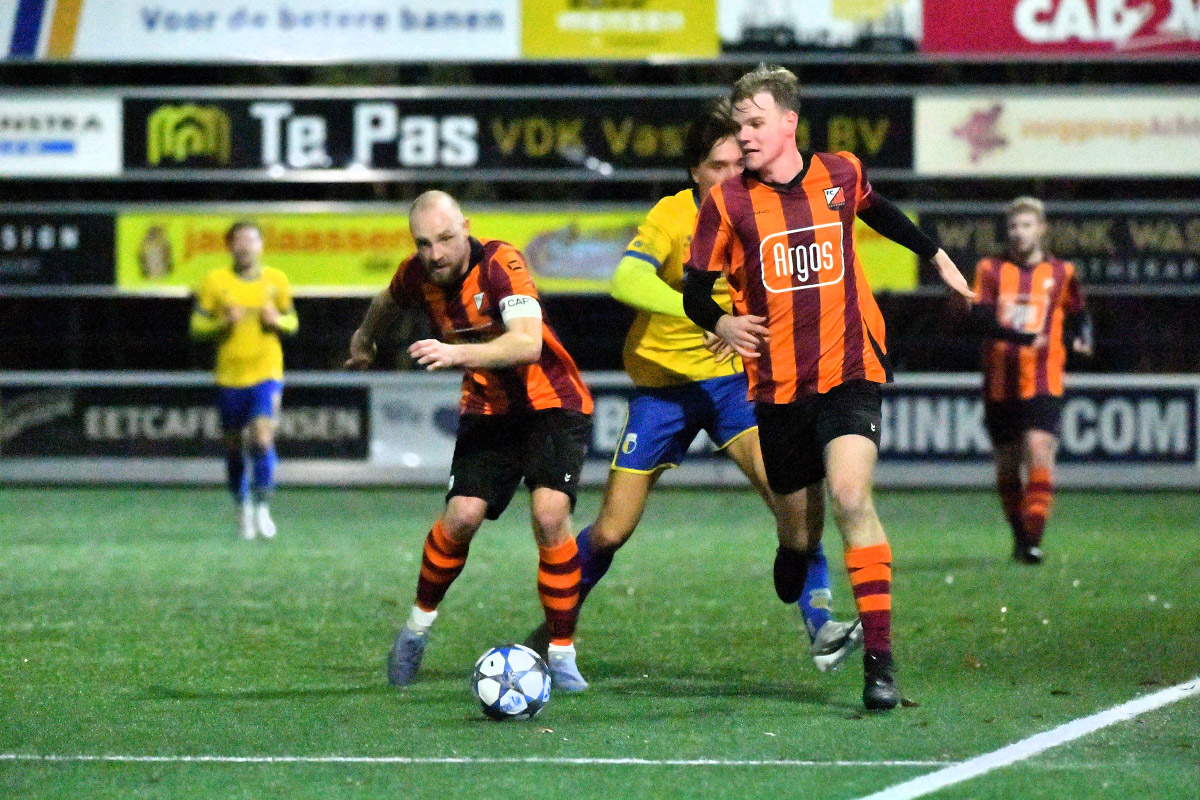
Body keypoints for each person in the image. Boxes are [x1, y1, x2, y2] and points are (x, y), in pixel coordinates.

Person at [524, 100, 863, 674]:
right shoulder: (674, 214)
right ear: (694, 171)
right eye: (716, 166)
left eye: (738, 164)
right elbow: (625, 278)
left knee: (794, 502)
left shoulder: (764, 209)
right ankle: (550, 632)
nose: (731, 176)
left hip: (736, 385)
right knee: (611, 530)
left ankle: (822, 625)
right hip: (664, 390)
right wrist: (707, 315)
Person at [682, 65, 975, 710]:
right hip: (778, 386)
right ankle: (793, 550)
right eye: (739, 125)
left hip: (850, 368)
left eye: (755, 123)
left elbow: (881, 211)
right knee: (800, 537)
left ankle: (880, 664)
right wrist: (722, 322)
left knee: (850, 496)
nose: (744, 136)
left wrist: (935, 255)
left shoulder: (840, 173)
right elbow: (695, 291)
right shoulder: (726, 203)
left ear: (789, 123)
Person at [346, 191, 594, 691]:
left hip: (553, 403)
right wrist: (364, 338)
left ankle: (562, 655)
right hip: (488, 409)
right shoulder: (417, 274)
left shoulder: (502, 263)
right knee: (461, 517)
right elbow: (386, 301)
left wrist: (455, 353)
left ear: (466, 227)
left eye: (445, 238)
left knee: (550, 516)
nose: (434, 253)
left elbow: (527, 343)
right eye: (423, 243)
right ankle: (415, 631)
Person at [967, 196, 1091, 564]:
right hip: (999, 381)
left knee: (1039, 448)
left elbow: (1079, 312)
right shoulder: (990, 270)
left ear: (1041, 229)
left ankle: (1033, 541)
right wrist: (1022, 337)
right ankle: (1021, 539)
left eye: (1026, 225)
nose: (1018, 232)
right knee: (1007, 465)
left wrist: (1083, 336)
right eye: (1013, 226)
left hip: (1044, 378)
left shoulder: (1062, 272)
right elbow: (981, 320)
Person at [190, 220, 297, 540]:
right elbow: (196, 327)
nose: (245, 246)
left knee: (262, 439)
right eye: (239, 241)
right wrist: (222, 323)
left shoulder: (276, 280)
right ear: (229, 246)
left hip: (266, 372)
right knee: (234, 447)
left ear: (261, 246)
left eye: (251, 240)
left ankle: (262, 505)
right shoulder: (215, 281)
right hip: (229, 376)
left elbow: (292, 322)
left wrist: (277, 320)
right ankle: (242, 505)